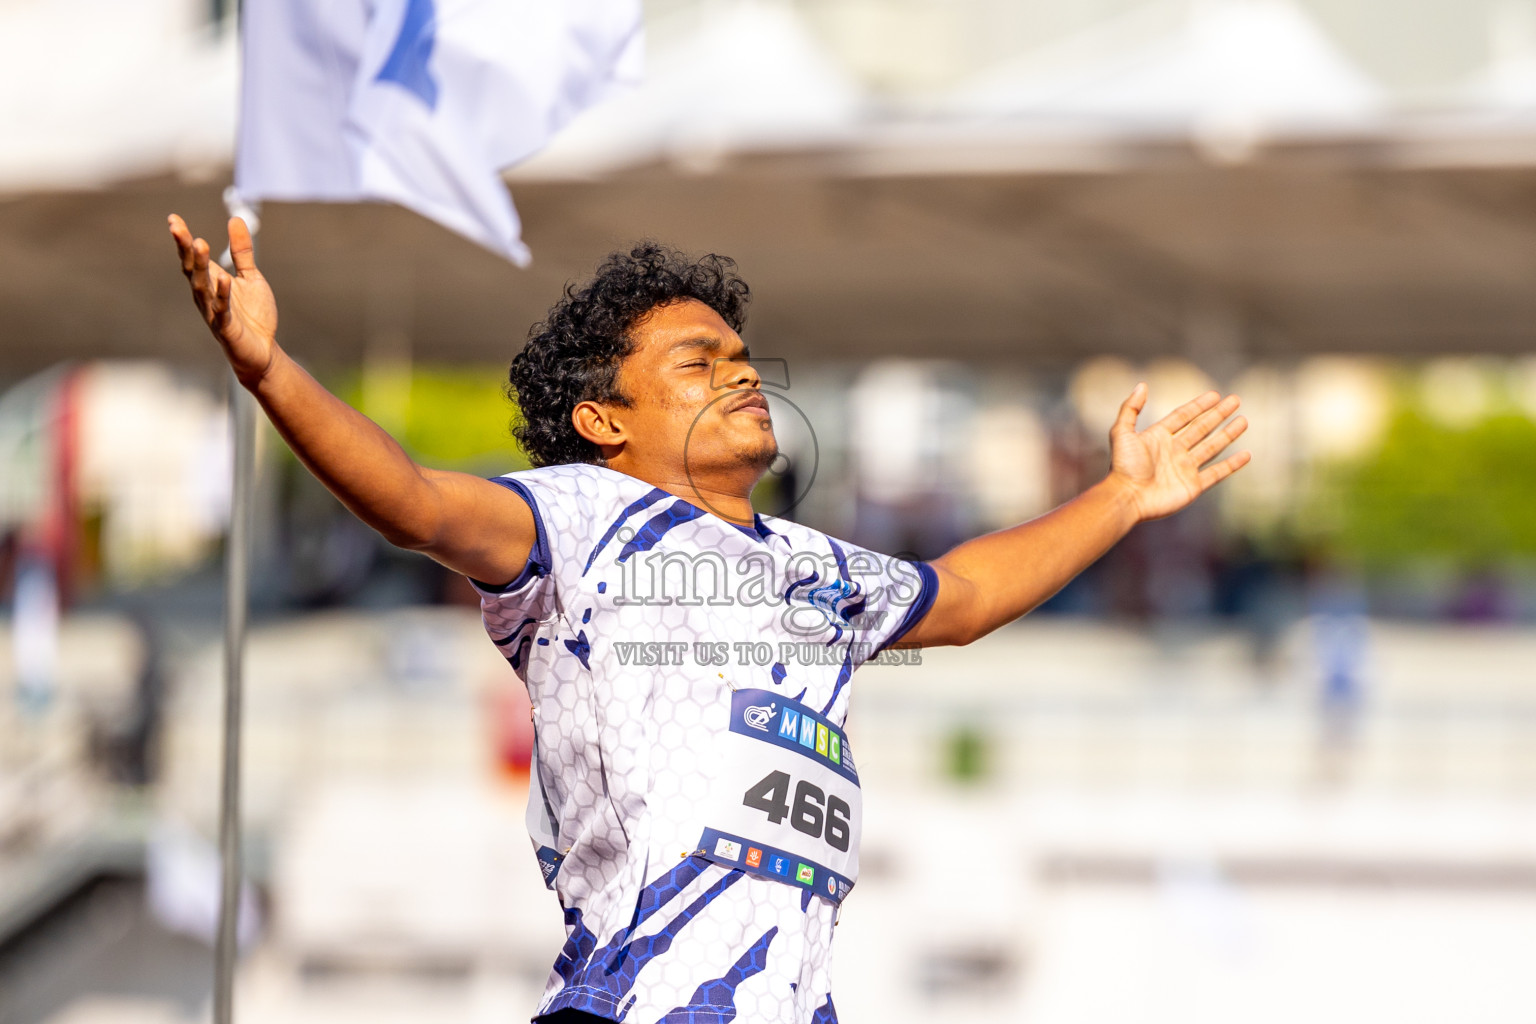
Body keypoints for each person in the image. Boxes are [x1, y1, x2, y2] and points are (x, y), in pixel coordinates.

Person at [168, 214, 1249, 1024]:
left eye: (741, 359)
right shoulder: (579, 515)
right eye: (697, 363)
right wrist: (268, 368)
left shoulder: (811, 565)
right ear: (603, 418)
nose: (739, 376)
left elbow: (963, 597)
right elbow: (408, 496)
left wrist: (1124, 496)